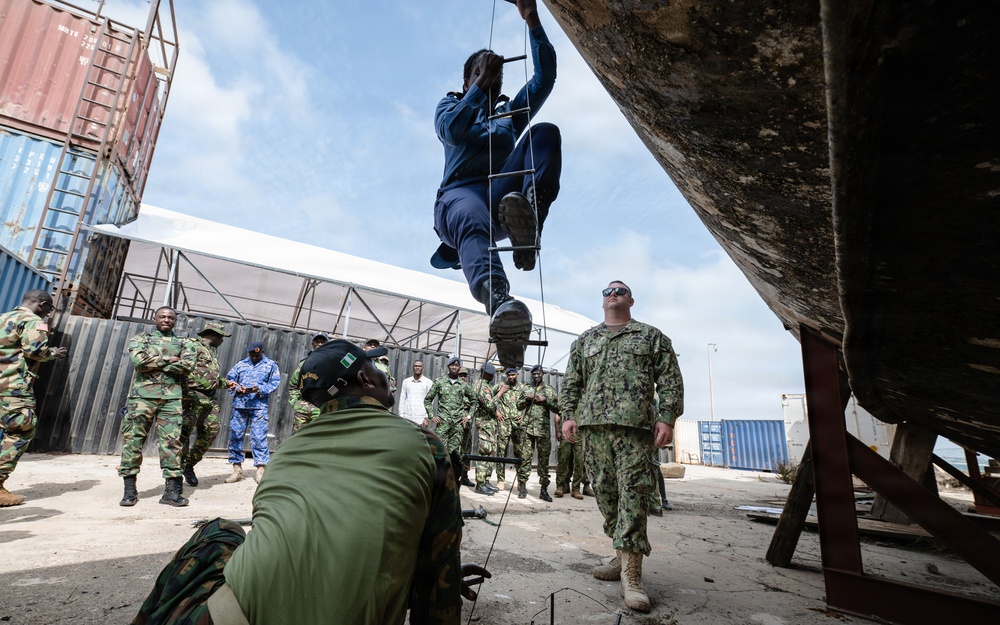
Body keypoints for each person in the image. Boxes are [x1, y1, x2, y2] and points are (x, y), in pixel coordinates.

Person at [132, 339, 490, 624]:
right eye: (375, 366)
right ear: (365, 380)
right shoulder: (423, 444)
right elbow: (436, 579)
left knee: (218, 533)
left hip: (228, 614)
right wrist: (435, 580)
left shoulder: (287, 451)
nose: (383, 372)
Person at [431, 0, 560, 369]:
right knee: (471, 213)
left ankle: (530, 220)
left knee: (545, 132)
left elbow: (544, 79)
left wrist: (531, 21)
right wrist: (476, 91)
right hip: (458, 198)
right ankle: (500, 301)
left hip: (503, 199)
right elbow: (453, 131)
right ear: (467, 78)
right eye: (481, 72)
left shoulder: (508, 115)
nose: (491, 78)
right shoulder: (451, 105)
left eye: (495, 75)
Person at [560, 281, 684, 613]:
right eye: (607, 291)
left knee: (633, 492)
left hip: (635, 428)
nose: (612, 293)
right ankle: (620, 553)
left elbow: (670, 378)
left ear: (630, 299)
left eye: (620, 290)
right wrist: (568, 415)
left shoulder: (651, 336)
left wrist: (667, 416)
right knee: (604, 492)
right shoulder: (585, 340)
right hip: (593, 427)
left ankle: (632, 574)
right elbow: (572, 381)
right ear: (602, 301)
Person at [118, 306, 197, 507]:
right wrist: (169, 359)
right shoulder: (141, 339)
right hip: (142, 398)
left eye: (171, 317)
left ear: (175, 321)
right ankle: (129, 490)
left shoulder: (184, 342)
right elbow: (138, 360)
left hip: (171, 399)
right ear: (155, 318)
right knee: (133, 442)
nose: (166, 320)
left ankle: (170, 493)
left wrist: (153, 363)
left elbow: (187, 366)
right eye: (162, 316)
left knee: (172, 443)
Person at [0, 290, 68, 506]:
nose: (49, 313)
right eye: (49, 308)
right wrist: (53, 353)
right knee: (21, 430)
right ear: (41, 304)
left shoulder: (3, 317)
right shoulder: (33, 321)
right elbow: (36, 351)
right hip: (12, 388)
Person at [180, 320, 237, 487]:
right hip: (191, 397)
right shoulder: (192, 345)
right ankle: (176, 473)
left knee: (211, 432)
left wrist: (227, 383)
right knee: (183, 436)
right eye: (222, 337)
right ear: (214, 334)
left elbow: (209, 378)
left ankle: (188, 465)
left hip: (209, 399)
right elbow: (182, 369)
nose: (223, 341)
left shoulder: (211, 353)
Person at [224, 341, 281, 484]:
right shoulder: (240, 364)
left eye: (257, 355)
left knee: (259, 437)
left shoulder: (270, 365)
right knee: (236, 436)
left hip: (259, 407)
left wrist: (260, 389)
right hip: (240, 406)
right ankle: (236, 470)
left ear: (261, 352)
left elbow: (274, 383)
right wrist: (238, 388)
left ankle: (261, 470)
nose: (254, 357)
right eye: (252, 355)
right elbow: (229, 380)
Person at [424, 357, 475, 487]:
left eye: (456, 366)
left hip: (457, 425)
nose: (454, 368)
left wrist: (468, 416)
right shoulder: (440, 382)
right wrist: (431, 416)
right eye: (452, 365)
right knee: (439, 451)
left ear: (459, 368)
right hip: (442, 423)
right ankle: (436, 479)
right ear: (448, 367)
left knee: (454, 454)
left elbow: (474, 401)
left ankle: (451, 481)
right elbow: (428, 399)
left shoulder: (464, 385)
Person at [515, 364, 557, 501]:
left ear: (542, 374)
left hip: (543, 430)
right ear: (531, 375)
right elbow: (518, 405)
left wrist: (546, 400)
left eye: (538, 373)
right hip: (527, 429)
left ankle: (544, 489)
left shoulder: (549, 390)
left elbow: (557, 408)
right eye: (534, 374)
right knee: (525, 458)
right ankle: (522, 487)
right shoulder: (526, 388)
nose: (536, 376)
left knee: (544, 460)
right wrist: (526, 400)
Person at [287, 333, 328, 432]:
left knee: (318, 437)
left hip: (320, 409)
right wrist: (296, 403)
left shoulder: (330, 363)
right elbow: (293, 385)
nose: (319, 344)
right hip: (302, 408)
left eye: (322, 342)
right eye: (317, 341)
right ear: (312, 343)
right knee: (298, 437)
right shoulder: (304, 363)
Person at [493, 367, 525, 493]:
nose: (511, 377)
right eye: (509, 375)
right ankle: (501, 480)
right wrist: (496, 411)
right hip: (504, 423)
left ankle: (520, 481)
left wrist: (524, 415)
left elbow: (529, 403)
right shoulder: (501, 386)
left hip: (517, 423)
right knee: (501, 451)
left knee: (519, 452)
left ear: (517, 374)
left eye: (513, 374)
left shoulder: (522, 388)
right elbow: (489, 398)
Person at [470, 361, 500, 495]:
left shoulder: (486, 386)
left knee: (490, 453)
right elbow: (489, 405)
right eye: (491, 375)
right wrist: (500, 393)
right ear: (487, 374)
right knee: (484, 453)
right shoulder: (481, 386)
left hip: (490, 425)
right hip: (484, 424)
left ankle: (486, 480)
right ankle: (480, 484)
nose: (493, 377)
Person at [399, 359, 432, 426]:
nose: (417, 368)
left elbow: (430, 401)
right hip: (408, 417)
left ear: (423, 368)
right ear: (413, 368)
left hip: (421, 419)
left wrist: (426, 417)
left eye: (419, 366)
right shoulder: (406, 381)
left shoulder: (428, 382)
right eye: (415, 366)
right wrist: (401, 416)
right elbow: (402, 399)